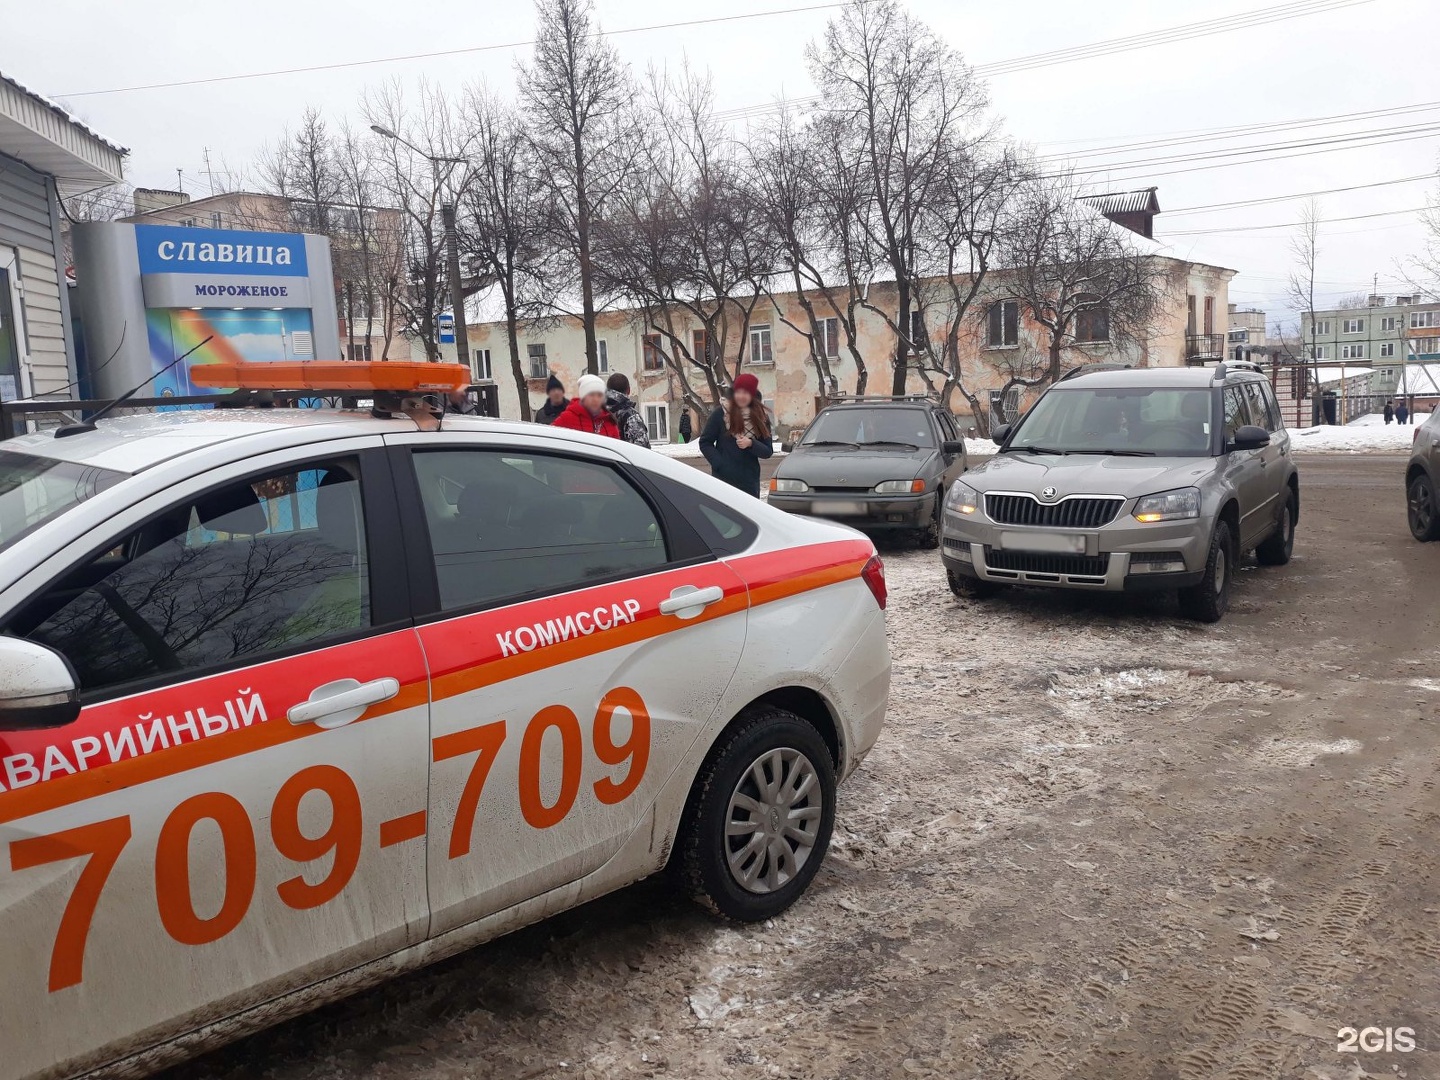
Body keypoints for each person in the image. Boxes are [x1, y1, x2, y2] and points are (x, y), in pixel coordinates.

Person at [700, 373, 773, 497]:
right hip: (723, 481)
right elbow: (705, 443)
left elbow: (767, 451)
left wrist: (751, 443)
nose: (741, 396)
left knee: (748, 515)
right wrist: (719, 463)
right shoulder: (720, 414)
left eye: (746, 393)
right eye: (738, 392)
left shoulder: (760, 417)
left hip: (749, 482)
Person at [553, 373, 620, 438]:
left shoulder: (609, 421)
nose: (595, 399)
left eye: (599, 395)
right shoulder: (567, 418)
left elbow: (617, 446)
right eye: (591, 395)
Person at [605, 372, 651, 448]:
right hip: (623, 458)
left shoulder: (597, 411)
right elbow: (642, 448)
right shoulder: (631, 416)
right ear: (629, 390)